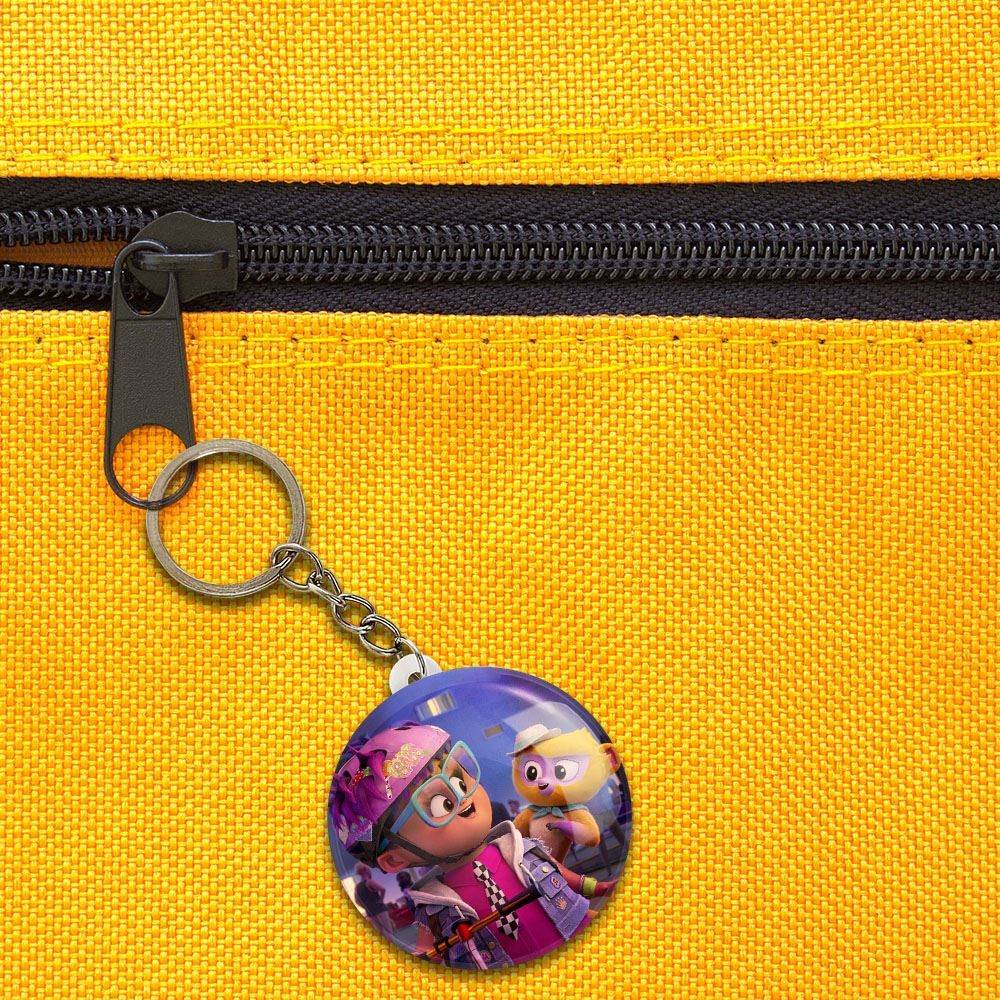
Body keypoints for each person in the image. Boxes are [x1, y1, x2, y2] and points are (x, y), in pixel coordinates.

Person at [330, 722, 614, 969]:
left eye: (459, 780)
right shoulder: (433, 906)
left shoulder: (519, 846)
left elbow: (553, 873)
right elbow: (426, 947)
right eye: (440, 805)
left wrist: (593, 887)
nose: (462, 798)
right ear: (395, 860)